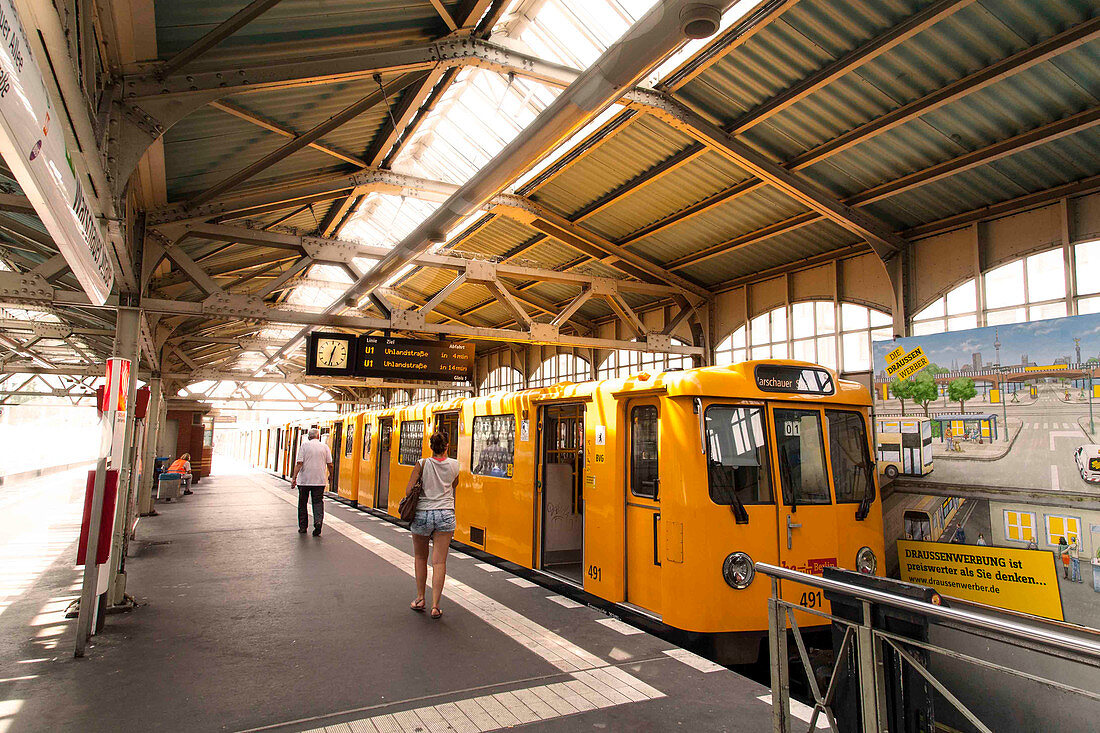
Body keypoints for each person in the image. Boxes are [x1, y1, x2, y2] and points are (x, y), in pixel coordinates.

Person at [406, 430, 460, 620]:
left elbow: (408, 489)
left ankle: (420, 599)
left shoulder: (422, 464)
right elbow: (453, 485)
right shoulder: (455, 465)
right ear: (447, 447)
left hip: (422, 513)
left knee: (421, 558)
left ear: (431, 447)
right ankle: (436, 606)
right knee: (439, 562)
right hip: (445, 513)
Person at [290, 427, 332, 536]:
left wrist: (294, 478)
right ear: (318, 436)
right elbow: (330, 464)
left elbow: (299, 463)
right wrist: (331, 475)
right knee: (318, 502)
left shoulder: (304, 446)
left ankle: (303, 527)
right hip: (319, 481)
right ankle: (318, 522)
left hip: (304, 481)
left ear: (309, 436)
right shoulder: (325, 447)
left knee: (302, 503)